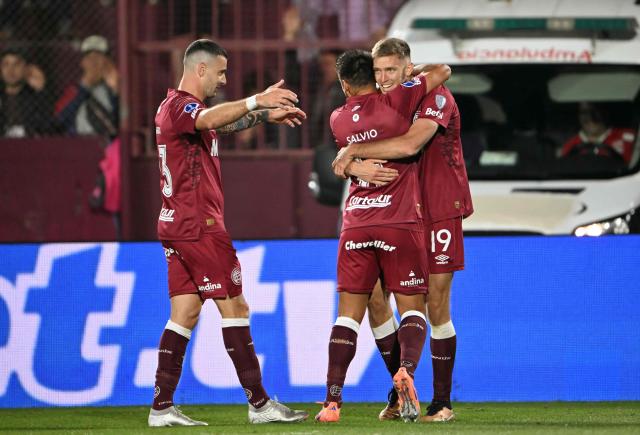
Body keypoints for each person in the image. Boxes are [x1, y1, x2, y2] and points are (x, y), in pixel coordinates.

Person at [148, 39, 308, 427]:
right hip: (198, 226)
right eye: (220, 72)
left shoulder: (180, 110)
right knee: (236, 308)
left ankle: (161, 407)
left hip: (176, 224)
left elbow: (220, 122)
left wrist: (262, 118)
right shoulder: (182, 108)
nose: (224, 79)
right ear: (199, 69)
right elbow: (208, 119)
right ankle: (260, 404)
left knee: (184, 313)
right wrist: (257, 101)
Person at [333, 37, 473, 423]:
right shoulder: (386, 104)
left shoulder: (435, 96)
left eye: (391, 70)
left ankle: (441, 403)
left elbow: (411, 144)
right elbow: (354, 137)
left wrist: (353, 155)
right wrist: (350, 157)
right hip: (395, 211)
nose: (384, 78)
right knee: (377, 301)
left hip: (439, 207)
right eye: (378, 72)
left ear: (408, 69)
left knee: (436, 304)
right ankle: (401, 390)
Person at [55, 35, 119, 141]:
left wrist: (116, 92)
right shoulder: (73, 90)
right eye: (89, 58)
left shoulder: (116, 88)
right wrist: (84, 88)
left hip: (109, 144)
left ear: (108, 61)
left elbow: (121, 121)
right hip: (79, 144)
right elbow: (59, 121)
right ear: (82, 63)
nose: (94, 63)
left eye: (98, 57)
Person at [561, 102, 635, 165]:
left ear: (604, 112)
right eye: (584, 112)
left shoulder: (631, 138)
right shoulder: (570, 146)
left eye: (595, 111)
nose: (590, 117)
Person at [0, 49, 50, 137]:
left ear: (26, 69)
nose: (10, 70)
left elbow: (48, 124)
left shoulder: (35, 97)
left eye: (17, 64)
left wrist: (41, 91)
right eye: (5, 65)